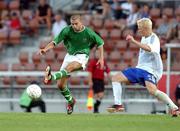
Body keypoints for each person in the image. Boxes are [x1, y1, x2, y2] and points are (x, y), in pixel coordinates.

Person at [107, 18, 180, 117]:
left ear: (146, 28)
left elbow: (149, 49)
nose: (139, 30)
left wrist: (133, 41)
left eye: (140, 28)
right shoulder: (144, 37)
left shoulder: (154, 38)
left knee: (152, 91)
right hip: (140, 68)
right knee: (115, 78)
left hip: (151, 71)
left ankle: (174, 108)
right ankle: (118, 105)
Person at [38, 15, 104, 115]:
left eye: (76, 24)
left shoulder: (88, 32)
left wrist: (101, 58)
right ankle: (71, 101)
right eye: (72, 24)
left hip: (82, 56)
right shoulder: (66, 30)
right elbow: (54, 42)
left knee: (70, 68)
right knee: (60, 85)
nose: (74, 26)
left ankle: (51, 77)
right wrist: (45, 49)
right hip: (69, 56)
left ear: (81, 22)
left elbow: (100, 43)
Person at [88, 49, 111, 113]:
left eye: (99, 53)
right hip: (95, 80)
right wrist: (90, 81)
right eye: (96, 53)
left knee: (100, 96)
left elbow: (108, 71)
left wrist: (112, 79)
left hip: (101, 81)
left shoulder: (103, 62)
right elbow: (90, 72)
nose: (97, 54)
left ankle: (96, 108)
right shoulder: (93, 62)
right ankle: (96, 108)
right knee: (99, 95)